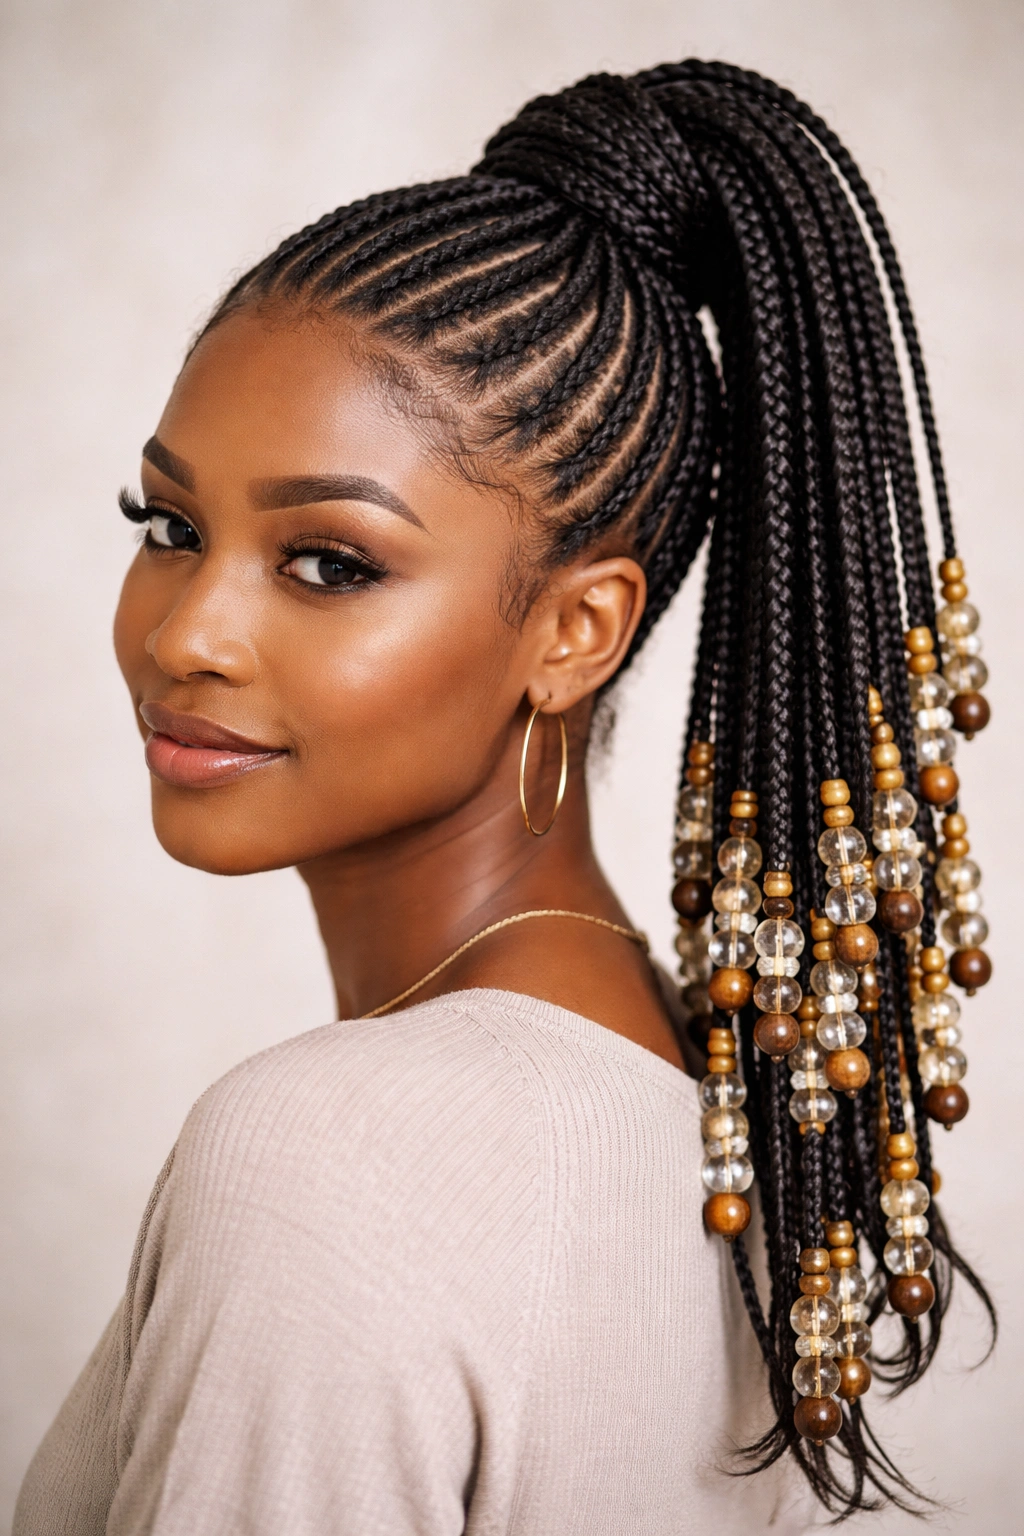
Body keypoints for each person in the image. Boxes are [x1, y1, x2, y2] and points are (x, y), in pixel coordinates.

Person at [15, 59, 994, 1534]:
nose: (182, 634)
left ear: (573, 630)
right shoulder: (701, 1102)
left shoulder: (333, 1153)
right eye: (169, 524)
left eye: (329, 561)